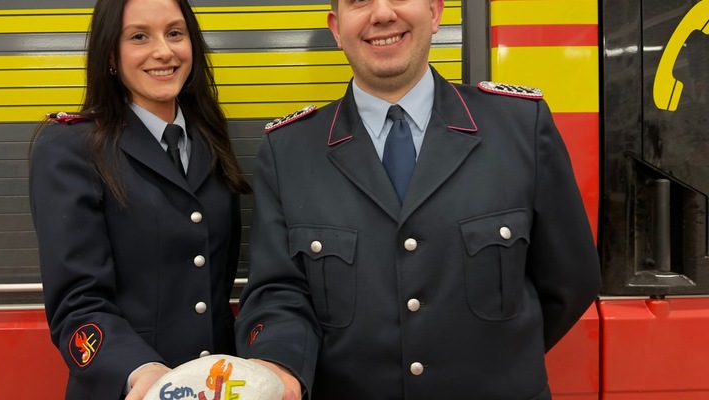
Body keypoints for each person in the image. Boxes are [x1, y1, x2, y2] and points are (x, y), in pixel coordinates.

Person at [234, 0, 602, 399]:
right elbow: (278, 292)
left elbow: (571, 281)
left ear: (436, 11)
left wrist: (501, 359)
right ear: (337, 29)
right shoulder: (289, 150)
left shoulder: (519, 126)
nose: (382, 14)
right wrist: (280, 366)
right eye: (359, 1)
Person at [28, 0, 251, 398]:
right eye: (139, 37)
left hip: (215, 388)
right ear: (111, 55)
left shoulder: (209, 138)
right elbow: (77, 305)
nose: (163, 51)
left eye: (175, 33)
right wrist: (143, 374)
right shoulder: (70, 148)